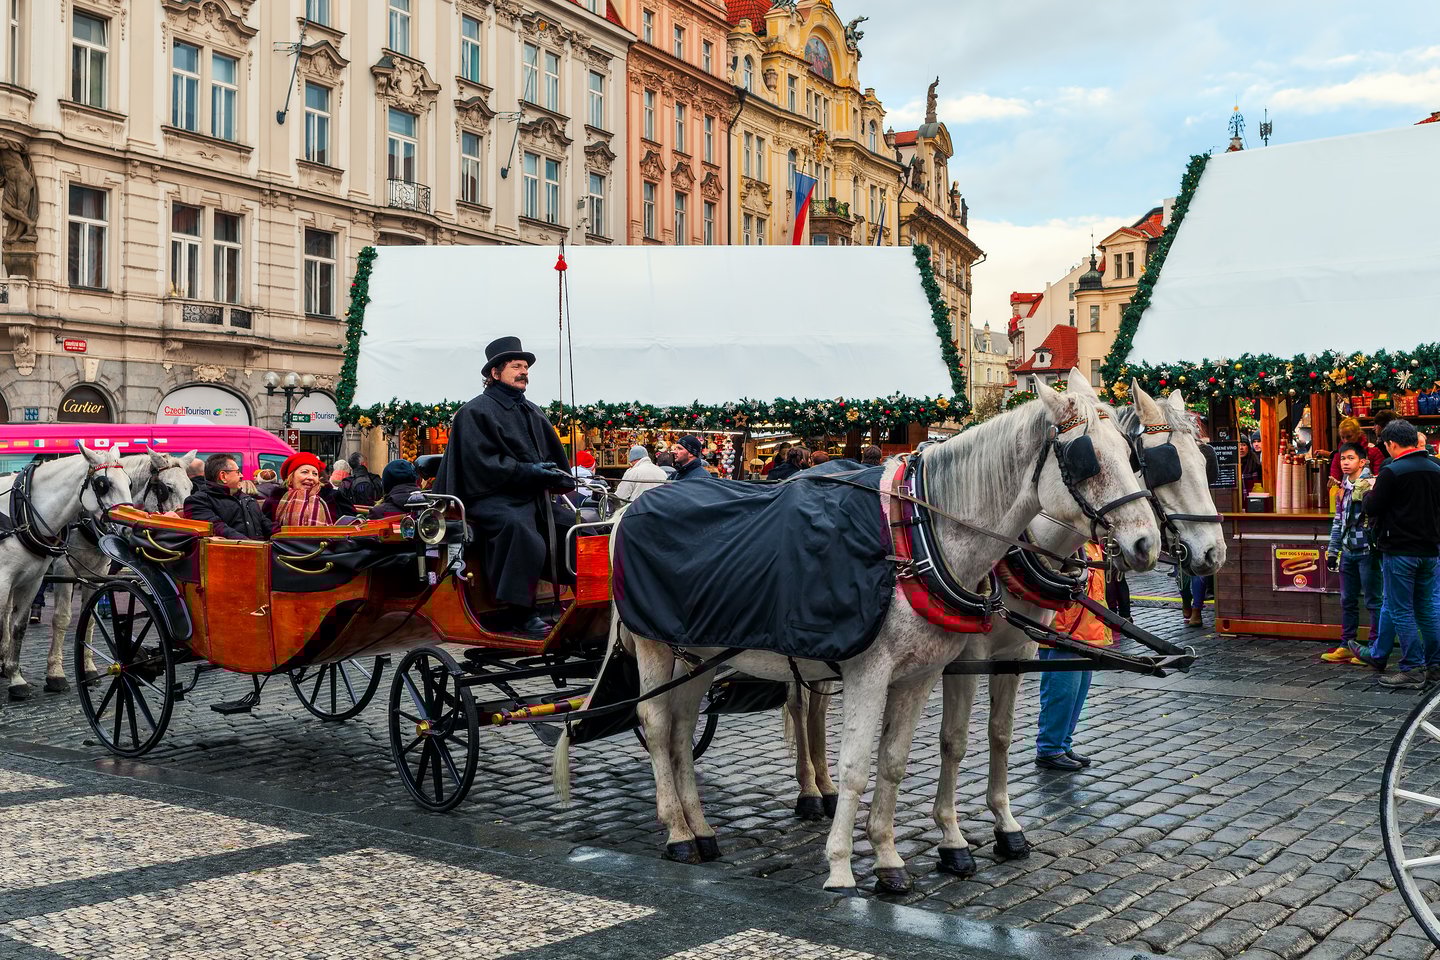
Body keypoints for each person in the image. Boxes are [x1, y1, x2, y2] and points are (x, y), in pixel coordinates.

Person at [434, 336, 576, 638]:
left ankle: (584, 600)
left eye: (525, 367)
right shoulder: (475, 411)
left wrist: (554, 475)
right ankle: (519, 612)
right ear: (495, 373)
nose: (524, 371)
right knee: (520, 532)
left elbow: (551, 455)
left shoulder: (532, 410)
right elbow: (480, 465)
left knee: (575, 528)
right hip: (490, 497)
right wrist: (527, 471)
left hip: (530, 496)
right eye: (516, 366)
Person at [1362, 419, 1440, 688]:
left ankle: (1412, 668)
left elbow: (1373, 507)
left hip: (1400, 551)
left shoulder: (1392, 472)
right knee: (1428, 609)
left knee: (1400, 609)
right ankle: (1435, 666)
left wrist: (1367, 495)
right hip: (1430, 550)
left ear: (1392, 444)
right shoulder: (1436, 468)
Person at [1036, 542, 1110, 771]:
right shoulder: (1072, 539)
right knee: (1061, 694)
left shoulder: (1093, 544)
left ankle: (1062, 743)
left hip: (1087, 631)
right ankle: (1050, 748)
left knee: (1076, 696)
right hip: (1065, 630)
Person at [1321, 443, 1381, 664]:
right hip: (1347, 551)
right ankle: (1346, 644)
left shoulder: (1372, 485)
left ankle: (1374, 648)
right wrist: (1332, 550)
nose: (1345, 462)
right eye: (1342, 459)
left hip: (1367, 550)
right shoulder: (1343, 488)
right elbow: (1338, 522)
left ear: (1362, 462)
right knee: (1347, 600)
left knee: (1374, 601)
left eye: (1350, 458)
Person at [183, 453, 271, 540]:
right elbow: (219, 529)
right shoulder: (198, 502)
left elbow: (268, 526)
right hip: (231, 552)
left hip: (260, 551)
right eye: (238, 472)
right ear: (223, 476)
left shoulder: (247, 499)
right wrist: (255, 546)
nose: (242, 475)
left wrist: (283, 537)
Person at [265, 452, 344, 528]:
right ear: (291, 478)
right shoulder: (275, 500)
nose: (311, 477)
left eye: (315, 474)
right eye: (305, 472)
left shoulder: (330, 499)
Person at [1330, 418, 1384, 482]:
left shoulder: (1373, 453)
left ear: (1358, 434)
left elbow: (1380, 480)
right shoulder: (1338, 457)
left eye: (1349, 437)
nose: (1346, 441)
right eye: (1343, 437)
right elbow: (1335, 481)